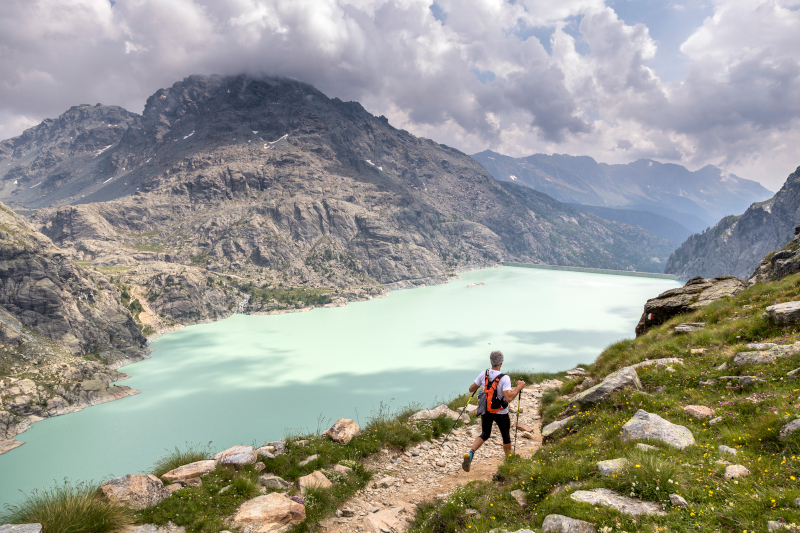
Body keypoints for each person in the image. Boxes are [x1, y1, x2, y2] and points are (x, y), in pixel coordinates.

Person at [461, 350, 525, 472]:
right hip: (501, 412)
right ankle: (509, 462)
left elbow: (471, 389)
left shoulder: (483, 374)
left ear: (491, 361)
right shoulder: (505, 378)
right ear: (501, 362)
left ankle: (470, 453)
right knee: (506, 437)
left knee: (485, 433)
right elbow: (509, 398)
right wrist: (519, 387)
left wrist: (482, 384)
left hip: (486, 410)